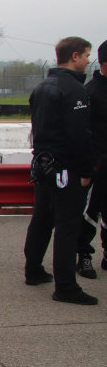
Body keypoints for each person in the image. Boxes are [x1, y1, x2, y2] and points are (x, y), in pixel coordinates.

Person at [24, 36, 97, 305]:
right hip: (65, 169)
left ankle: (33, 270)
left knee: (42, 219)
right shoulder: (75, 91)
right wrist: (87, 170)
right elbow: (80, 136)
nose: (89, 61)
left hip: (42, 166)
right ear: (75, 56)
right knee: (67, 226)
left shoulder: (42, 86)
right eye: (87, 55)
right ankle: (65, 286)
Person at [77, 40, 107, 279]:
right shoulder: (90, 91)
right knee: (89, 210)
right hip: (97, 164)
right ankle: (84, 256)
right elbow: (83, 132)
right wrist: (90, 165)